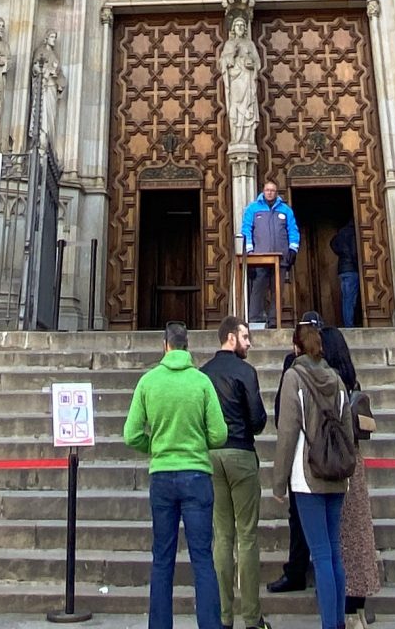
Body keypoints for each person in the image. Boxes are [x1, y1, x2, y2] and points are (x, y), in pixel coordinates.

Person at [126, 322, 229, 629]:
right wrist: (198, 444)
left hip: (162, 477)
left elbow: (131, 435)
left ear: (165, 345)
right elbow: (220, 434)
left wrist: (156, 447)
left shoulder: (148, 382)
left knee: (162, 558)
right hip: (196, 474)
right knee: (202, 558)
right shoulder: (201, 382)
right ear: (187, 347)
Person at [266, 315, 356, 598]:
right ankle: (338, 618)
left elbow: (287, 429)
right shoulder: (339, 379)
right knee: (333, 551)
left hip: (307, 471)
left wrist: (279, 482)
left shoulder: (294, 376)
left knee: (321, 552)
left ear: (297, 346)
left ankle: (329, 617)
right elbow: (347, 430)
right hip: (337, 468)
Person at [200, 316, 269, 629]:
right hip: (241, 452)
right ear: (230, 337)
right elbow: (257, 419)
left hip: (212, 456)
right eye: (245, 336)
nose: (249, 342)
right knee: (247, 537)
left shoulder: (203, 375)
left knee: (222, 537)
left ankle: (224, 617)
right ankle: (252, 618)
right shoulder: (246, 372)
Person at [238, 180, 298, 326]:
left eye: (272, 190)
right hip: (259, 257)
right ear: (263, 191)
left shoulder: (285, 210)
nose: (270, 192)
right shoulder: (252, 209)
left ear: (276, 192)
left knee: (277, 288)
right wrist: (249, 251)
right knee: (258, 287)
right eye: (267, 190)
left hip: (281, 256)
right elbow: (246, 229)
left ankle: (273, 320)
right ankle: (254, 318)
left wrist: (293, 249)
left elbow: (293, 230)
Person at [331, 217, 361, 330]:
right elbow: (353, 251)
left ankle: (348, 323)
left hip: (342, 270)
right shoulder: (353, 233)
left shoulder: (342, 232)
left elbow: (333, 243)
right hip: (351, 269)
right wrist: (357, 264)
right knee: (350, 299)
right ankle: (349, 325)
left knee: (346, 298)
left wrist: (342, 254)